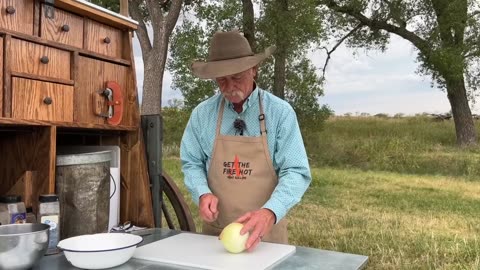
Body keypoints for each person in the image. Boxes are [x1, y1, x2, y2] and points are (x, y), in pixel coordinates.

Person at [180, 30, 311, 252]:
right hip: (217, 237)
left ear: (254, 70)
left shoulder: (280, 113)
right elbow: (191, 162)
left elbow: (296, 171)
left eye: (237, 77)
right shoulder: (202, 114)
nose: (229, 87)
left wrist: (270, 212)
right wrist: (202, 192)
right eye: (222, 80)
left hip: (267, 236)